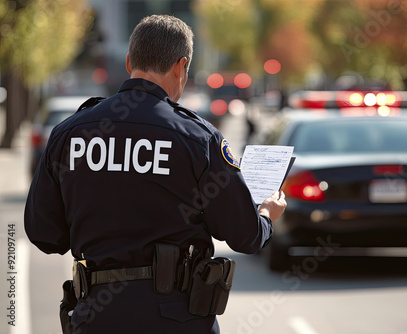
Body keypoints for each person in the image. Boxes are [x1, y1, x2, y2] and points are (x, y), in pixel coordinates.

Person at [24, 14, 286, 334]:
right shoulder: (198, 138)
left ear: (130, 61)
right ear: (181, 66)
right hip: (176, 318)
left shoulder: (70, 133)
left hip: (95, 317)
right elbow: (244, 236)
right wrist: (266, 215)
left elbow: (44, 234)